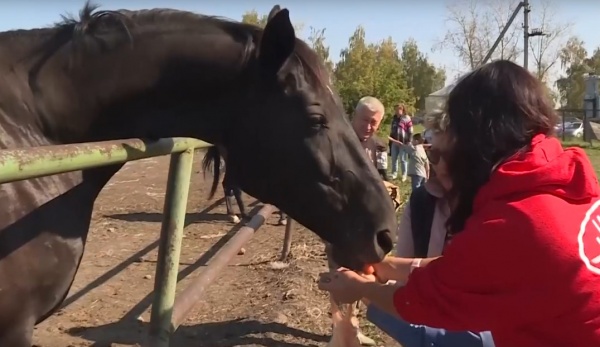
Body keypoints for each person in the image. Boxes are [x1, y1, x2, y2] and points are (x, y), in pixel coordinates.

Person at [318, 60, 600, 347]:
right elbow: (463, 268)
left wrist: (359, 288)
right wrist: (386, 266)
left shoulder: (515, 221)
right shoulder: (557, 184)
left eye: (455, 129)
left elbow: (426, 302)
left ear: (477, 134)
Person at [365, 110, 494, 347]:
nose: (441, 165)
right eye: (434, 154)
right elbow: (402, 278)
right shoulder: (421, 202)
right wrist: (369, 281)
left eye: (452, 156)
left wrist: (364, 289)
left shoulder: (493, 207)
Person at [388, 104, 413, 181]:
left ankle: (404, 174)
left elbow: (410, 131)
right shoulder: (394, 119)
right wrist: (391, 141)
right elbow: (392, 130)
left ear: (403, 110)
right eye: (396, 109)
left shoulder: (406, 118)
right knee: (394, 158)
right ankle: (394, 173)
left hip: (403, 142)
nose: (397, 111)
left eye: (399, 109)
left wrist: (409, 141)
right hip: (394, 141)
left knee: (403, 159)